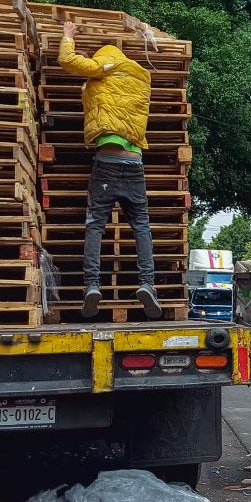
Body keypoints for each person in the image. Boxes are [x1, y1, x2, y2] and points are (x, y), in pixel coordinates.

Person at [58, 20, 160, 318]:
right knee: (141, 225)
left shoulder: (107, 61)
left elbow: (69, 61)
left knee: (95, 225)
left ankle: (91, 286)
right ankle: (147, 284)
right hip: (135, 161)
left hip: (107, 162)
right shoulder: (140, 76)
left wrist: (67, 37)